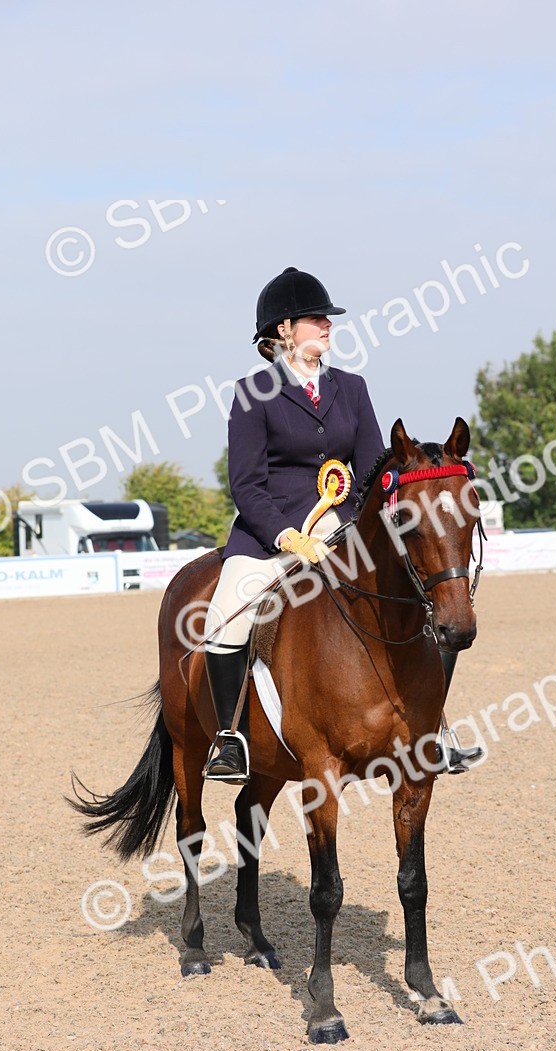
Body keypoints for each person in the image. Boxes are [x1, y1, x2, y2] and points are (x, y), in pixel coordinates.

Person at [203, 266, 480, 783]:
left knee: (425, 601)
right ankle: (228, 738)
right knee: (225, 617)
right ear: (284, 330)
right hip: (272, 536)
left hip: (344, 527)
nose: (328, 325)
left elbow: (374, 472)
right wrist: (286, 535)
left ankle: (432, 731)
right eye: (317, 319)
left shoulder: (351, 388)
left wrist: (411, 486)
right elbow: (246, 485)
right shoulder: (250, 394)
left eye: (327, 318)